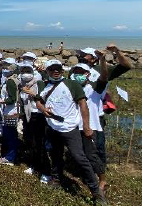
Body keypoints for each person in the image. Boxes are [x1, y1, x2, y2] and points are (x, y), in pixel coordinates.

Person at [35, 59, 105, 204]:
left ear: (62, 70)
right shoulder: (46, 86)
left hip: (69, 128)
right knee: (55, 155)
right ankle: (56, 179)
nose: (55, 71)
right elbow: (38, 101)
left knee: (80, 157)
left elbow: (83, 105)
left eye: (58, 69)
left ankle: (96, 192)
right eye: (52, 69)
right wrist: (43, 110)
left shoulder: (72, 84)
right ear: (47, 71)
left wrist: (86, 126)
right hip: (53, 128)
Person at [75, 45, 133, 196]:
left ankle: (101, 176)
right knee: (83, 147)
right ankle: (88, 173)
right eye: (80, 53)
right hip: (79, 115)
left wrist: (115, 52)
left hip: (96, 115)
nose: (81, 56)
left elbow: (125, 66)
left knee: (98, 147)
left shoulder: (101, 71)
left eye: (84, 54)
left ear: (93, 58)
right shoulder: (75, 71)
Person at [17, 61, 52, 183]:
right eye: (23, 71)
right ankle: (34, 166)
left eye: (28, 71)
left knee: (40, 144)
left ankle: (46, 171)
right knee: (30, 142)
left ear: (33, 72)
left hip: (38, 115)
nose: (25, 74)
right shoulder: (21, 84)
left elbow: (43, 99)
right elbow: (21, 101)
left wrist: (32, 93)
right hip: (28, 116)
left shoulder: (39, 83)